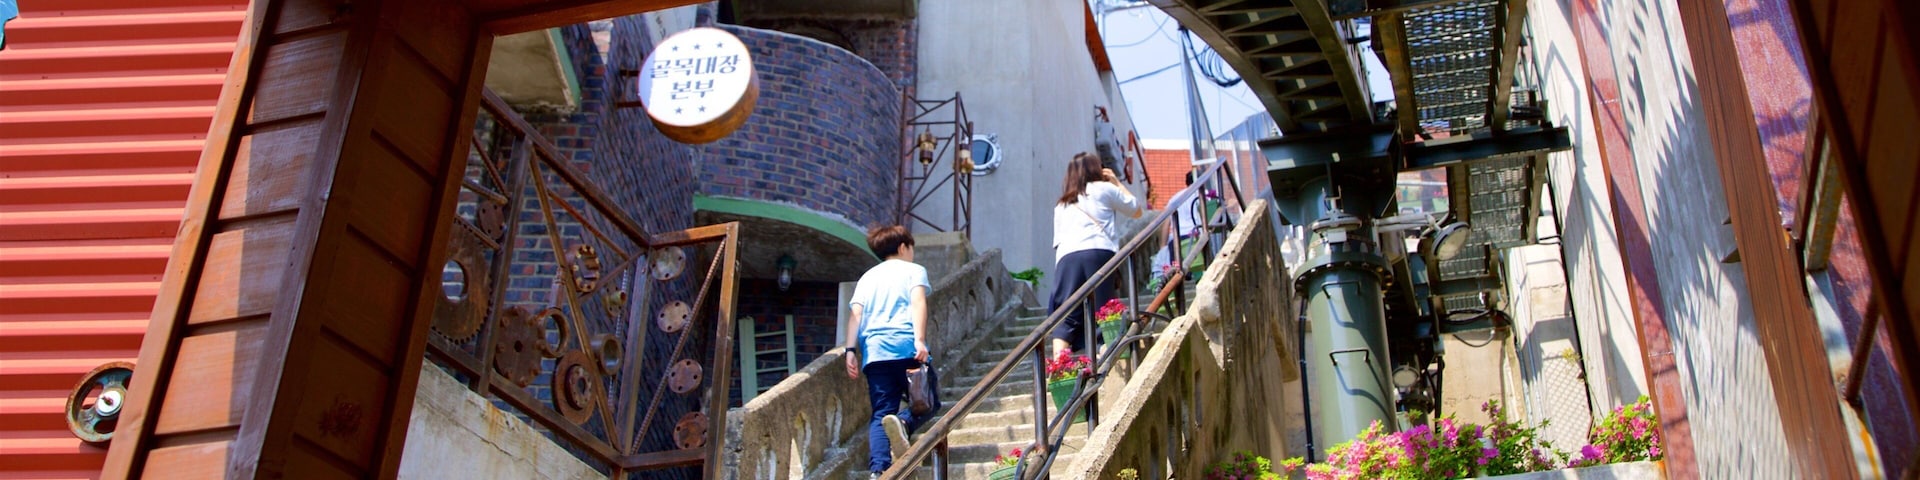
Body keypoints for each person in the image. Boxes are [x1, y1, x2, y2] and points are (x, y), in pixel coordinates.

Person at [842, 225, 932, 478]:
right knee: (928, 400)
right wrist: (920, 340)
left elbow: (855, 315)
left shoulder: (867, 277)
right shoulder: (914, 271)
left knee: (881, 411)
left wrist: (850, 350)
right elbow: (918, 303)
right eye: (911, 248)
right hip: (906, 347)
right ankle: (903, 423)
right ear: (903, 247)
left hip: (875, 352)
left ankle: (878, 471)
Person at [1049, 152, 1144, 356]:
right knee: (1104, 310)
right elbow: (1136, 210)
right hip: (1098, 252)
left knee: (1067, 314)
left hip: (1067, 259)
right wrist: (1117, 182)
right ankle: (1105, 355)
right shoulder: (1104, 189)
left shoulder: (1062, 204)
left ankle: (1059, 365)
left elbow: (1058, 242)